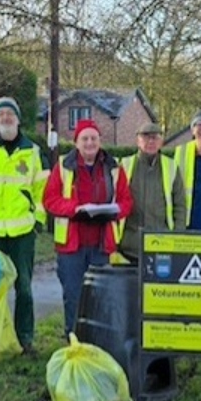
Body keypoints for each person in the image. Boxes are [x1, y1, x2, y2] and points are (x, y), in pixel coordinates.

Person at [0, 97, 49, 354]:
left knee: (24, 288)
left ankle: (25, 339)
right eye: (0, 114)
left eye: (9, 114)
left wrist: (38, 221)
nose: (5, 118)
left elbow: (42, 191)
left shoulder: (34, 153)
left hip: (23, 233)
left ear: (18, 118)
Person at [43, 119, 133, 337]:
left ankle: (98, 342)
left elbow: (126, 201)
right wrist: (75, 208)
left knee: (101, 297)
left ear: (100, 141)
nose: (90, 142)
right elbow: (49, 200)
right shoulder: (63, 166)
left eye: (94, 138)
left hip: (102, 245)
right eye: (85, 138)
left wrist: (114, 210)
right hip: (72, 247)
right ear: (76, 143)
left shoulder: (113, 168)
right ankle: (73, 341)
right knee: (73, 296)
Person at [115, 122, 186, 262]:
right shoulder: (124, 165)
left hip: (163, 244)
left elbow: (180, 205)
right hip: (129, 247)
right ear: (137, 141)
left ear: (161, 141)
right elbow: (114, 202)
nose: (151, 141)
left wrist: (178, 235)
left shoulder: (171, 166)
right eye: (146, 137)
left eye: (155, 138)